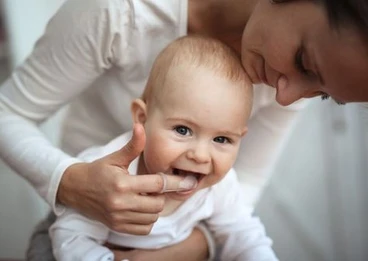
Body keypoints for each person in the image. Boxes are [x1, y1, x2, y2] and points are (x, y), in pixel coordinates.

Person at [0, 0, 367, 260]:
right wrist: (69, 182)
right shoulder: (121, 10)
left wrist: (195, 247)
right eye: (304, 62)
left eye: (322, 95)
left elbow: (242, 211)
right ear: (140, 118)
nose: (286, 98)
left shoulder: (219, 184)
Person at [49, 35, 278, 261]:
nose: (200, 155)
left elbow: (244, 236)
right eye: (182, 130)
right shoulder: (105, 175)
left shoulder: (220, 187)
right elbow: (71, 238)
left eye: (221, 139)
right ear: (142, 118)